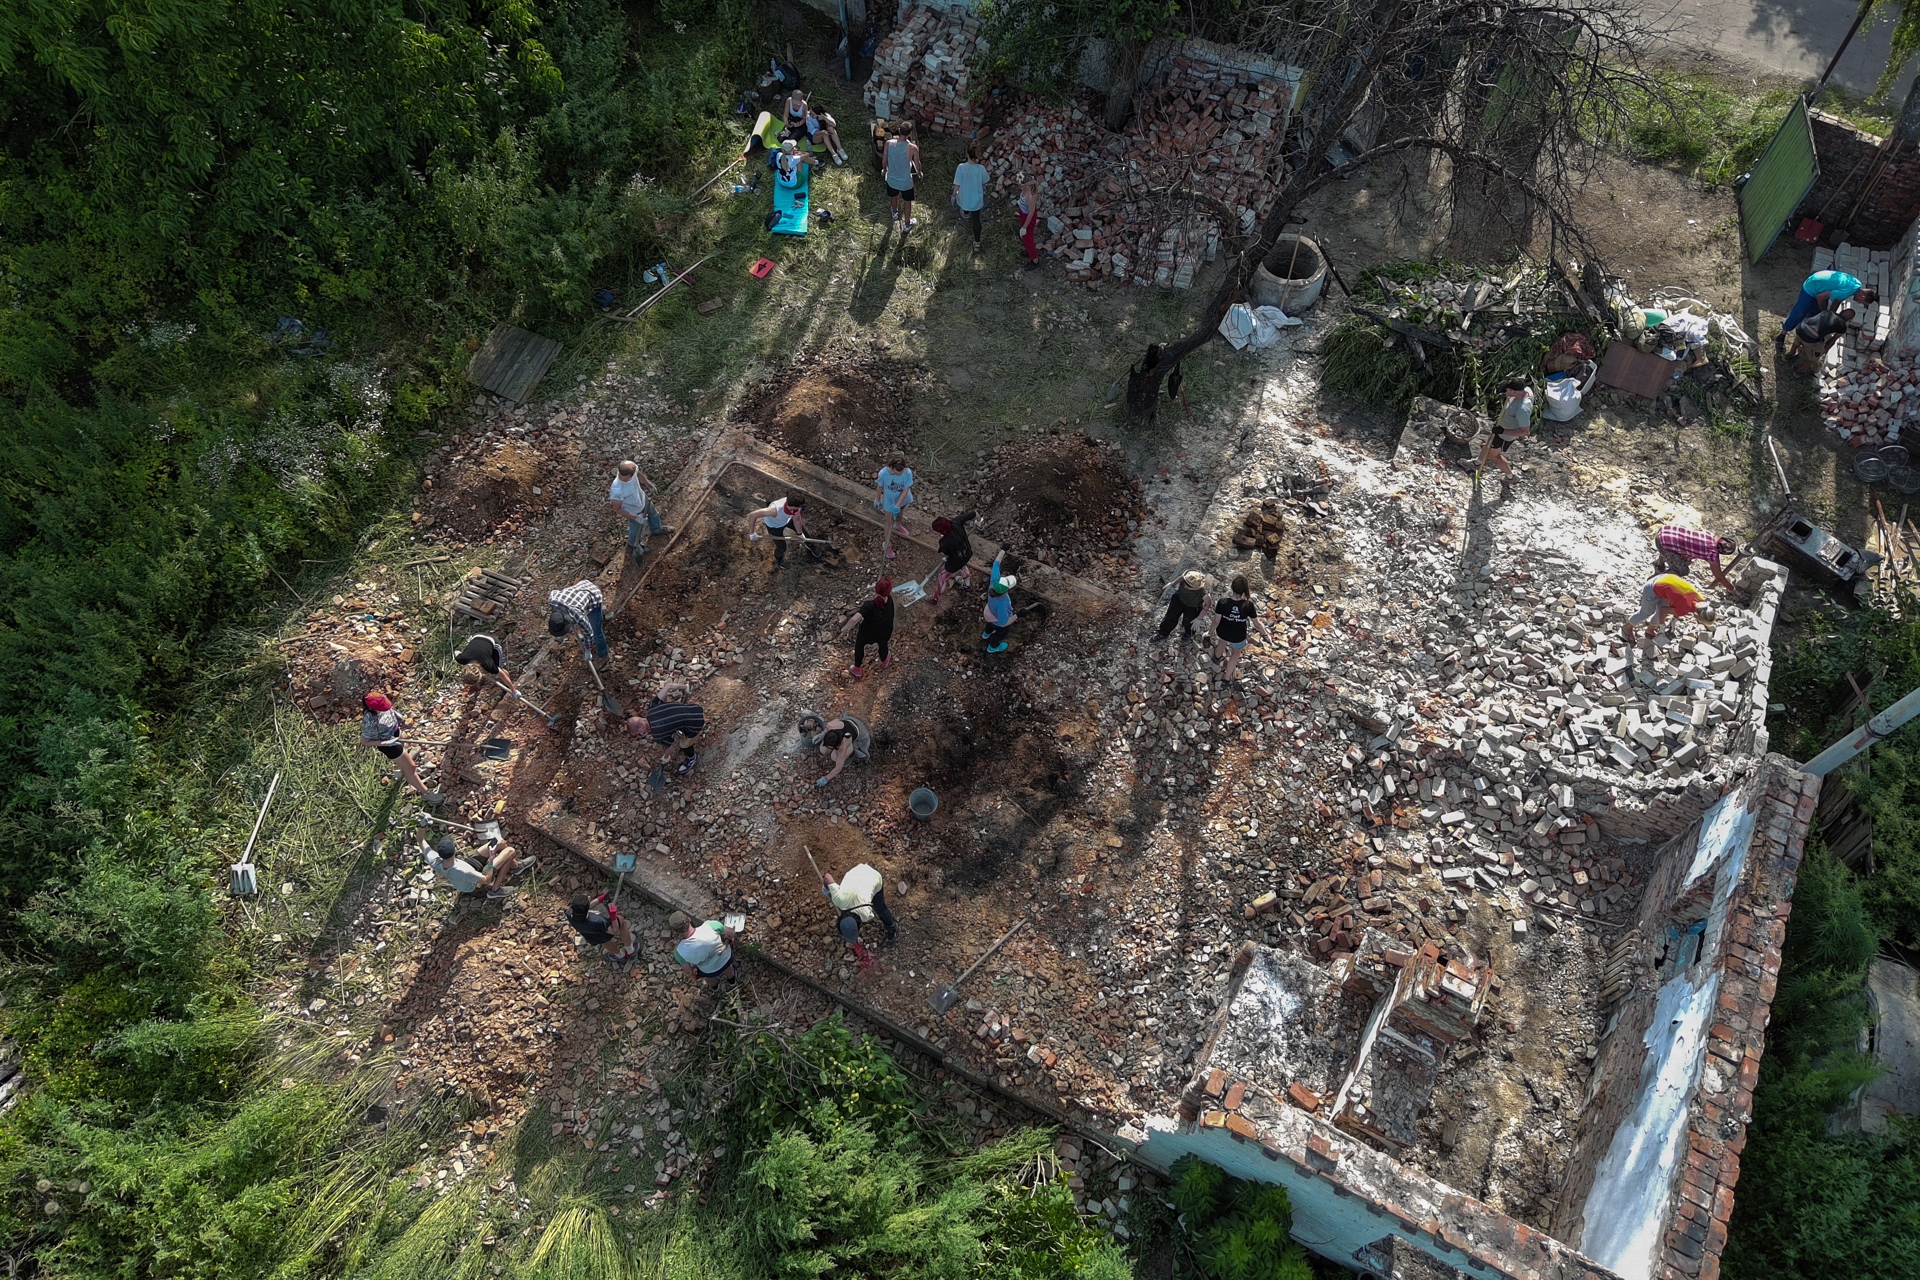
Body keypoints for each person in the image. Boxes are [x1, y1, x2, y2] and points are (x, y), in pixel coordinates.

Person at [360, 692, 441, 806]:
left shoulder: (381, 705)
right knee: (411, 768)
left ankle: (403, 769)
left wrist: (396, 716)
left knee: (407, 763)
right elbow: (364, 741)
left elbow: (389, 710)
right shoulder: (372, 721)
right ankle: (425, 793)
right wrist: (385, 743)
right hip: (390, 746)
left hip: (396, 734)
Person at [820, 861, 898, 968]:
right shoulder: (838, 899)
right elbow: (827, 877)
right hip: (858, 871)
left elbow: (827, 877)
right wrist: (828, 890)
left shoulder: (866, 915)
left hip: (873, 878)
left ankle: (892, 928)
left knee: (881, 909)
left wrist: (827, 890)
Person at [625, 679, 706, 776]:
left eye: (639, 733)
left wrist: (665, 757)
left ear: (641, 729)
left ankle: (692, 758)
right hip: (695, 709)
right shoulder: (653, 706)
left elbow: (671, 748)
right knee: (674, 724)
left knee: (684, 745)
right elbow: (669, 686)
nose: (641, 734)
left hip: (697, 723)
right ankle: (679, 728)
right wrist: (685, 687)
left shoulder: (658, 734)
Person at [424, 834, 528, 900]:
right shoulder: (463, 871)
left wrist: (423, 825)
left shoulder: (434, 861)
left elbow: (421, 841)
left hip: (466, 864)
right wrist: (491, 860)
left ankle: (516, 866)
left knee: (499, 842)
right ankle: (495, 890)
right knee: (510, 851)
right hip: (476, 885)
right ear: (454, 850)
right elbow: (486, 880)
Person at [1211, 575, 1273, 682]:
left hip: (1222, 632)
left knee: (1222, 640)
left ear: (1232, 587)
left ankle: (1217, 656)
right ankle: (1226, 678)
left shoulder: (1222, 602)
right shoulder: (1248, 605)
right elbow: (1257, 624)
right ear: (1245, 590)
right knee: (1235, 654)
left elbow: (1216, 621)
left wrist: (1210, 631)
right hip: (1238, 636)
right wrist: (1265, 635)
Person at [1779, 270, 1876, 338]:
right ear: (1862, 297)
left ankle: (1807, 326)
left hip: (1820, 280)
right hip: (1812, 286)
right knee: (1800, 312)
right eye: (1861, 302)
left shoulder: (1857, 284)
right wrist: (1825, 312)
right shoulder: (1849, 291)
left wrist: (1831, 315)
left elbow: (1837, 300)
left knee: (1816, 312)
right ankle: (1783, 334)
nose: (1858, 302)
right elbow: (1820, 297)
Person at [608, 460, 668, 562]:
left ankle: (656, 529)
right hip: (633, 510)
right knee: (636, 530)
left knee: (653, 514)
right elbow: (617, 509)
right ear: (627, 476)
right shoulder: (617, 490)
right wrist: (635, 517)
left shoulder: (632, 469)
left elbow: (639, 474)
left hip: (643, 499)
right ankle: (634, 545)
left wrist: (648, 483)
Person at [1477, 381, 1532, 488]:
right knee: (1489, 443)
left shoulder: (1522, 410)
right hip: (1500, 429)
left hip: (1504, 436)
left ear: (1514, 392)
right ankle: (1477, 462)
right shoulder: (1526, 391)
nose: (1506, 392)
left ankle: (1511, 477)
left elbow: (1525, 432)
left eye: (1508, 390)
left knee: (1495, 456)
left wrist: (1503, 431)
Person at [837, 578, 895, 677]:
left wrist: (845, 629)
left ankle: (857, 668)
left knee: (859, 646)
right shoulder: (889, 599)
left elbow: (855, 619)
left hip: (868, 633)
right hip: (885, 631)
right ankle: (885, 661)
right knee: (883, 645)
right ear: (888, 591)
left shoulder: (869, 605)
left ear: (876, 589)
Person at [1624, 573, 1704, 644]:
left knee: (1659, 615)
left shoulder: (1701, 602)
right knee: (1646, 612)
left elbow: (1677, 608)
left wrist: (1673, 622)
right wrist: (1662, 627)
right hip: (1653, 586)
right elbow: (1664, 611)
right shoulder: (1686, 608)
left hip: (1667, 581)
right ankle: (1627, 627)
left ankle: (1650, 630)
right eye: (1701, 620)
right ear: (1697, 615)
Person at [1655, 525, 1736, 591]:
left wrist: (1687, 558)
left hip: (1665, 531)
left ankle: (1659, 563)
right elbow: (1720, 577)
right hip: (1664, 544)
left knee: (1682, 559)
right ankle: (1658, 580)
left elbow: (1690, 543)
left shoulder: (1709, 534)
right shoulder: (1712, 554)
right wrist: (1731, 589)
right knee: (1683, 571)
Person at [567, 891, 638, 965]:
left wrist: (600, 899)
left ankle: (620, 956)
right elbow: (615, 931)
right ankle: (631, 951)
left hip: (592, 936)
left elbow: (583, 909)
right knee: (622, 921)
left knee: (604, 941)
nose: (589, 897)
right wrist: (613, 916)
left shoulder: (569, 913)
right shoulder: (597, 921)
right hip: (603, 930)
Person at [548, 579, 608, 663]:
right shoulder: (553, 599)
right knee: (591, 621)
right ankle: (599, 616)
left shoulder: (578, 615)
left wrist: (587, 650)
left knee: (596, 632)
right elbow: (554, 591)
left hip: (594, 596)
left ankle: (603, 655)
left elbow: (589, 634)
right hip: (582, 586)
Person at [745, 494, 809, 572]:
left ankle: (811, 545)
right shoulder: (774, 510)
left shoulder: (795, 505)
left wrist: (800, 534)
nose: (801, 508)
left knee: (806, 534)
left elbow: (797, 520)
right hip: (774, 527)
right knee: (782, 548)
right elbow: (753, 515)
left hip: (786, 520)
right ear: (793, 506)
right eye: (800, 507)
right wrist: (751, 533)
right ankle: (779, 561)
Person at [674, 917, 740, 990]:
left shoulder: (679, 951)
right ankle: (732, 981)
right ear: (689, 919)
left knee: (710, 979)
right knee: (728, 969)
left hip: (708, 971)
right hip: (725, 960)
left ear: (676, 931)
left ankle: (715, 988)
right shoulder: (710, 925)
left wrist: (692, 974)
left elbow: (688, 971)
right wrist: (729, 938)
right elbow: (731, 932)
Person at [812, 713, 873, 788]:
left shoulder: (843, 746)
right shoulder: (830, 726)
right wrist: (822, 735)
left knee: (834, 757)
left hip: (860, 734)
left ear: (837, 746)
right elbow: (833, 724)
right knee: (823, 749)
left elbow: (838, 768)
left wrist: (825, 779)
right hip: (850, 721)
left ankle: (850, 754)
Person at [1789, 306, 1854, 374]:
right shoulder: (1843, 326)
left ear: (1841, 311)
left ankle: (1789, 355)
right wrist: (1824, 350)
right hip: (1811, 337)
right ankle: (1800, 371)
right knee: (1815, 357)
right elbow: (1833, 340)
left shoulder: (1828, 312)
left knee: (1798, 340)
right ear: (1848, 319)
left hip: (1801, 328)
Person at [929, 511, 976, 604]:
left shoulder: (944, 542)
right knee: (963, 567)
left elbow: (946, 553)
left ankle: (935, 598)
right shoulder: (956, 521)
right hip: (967, 553)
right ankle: (968, 586)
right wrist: (978, 521)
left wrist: (946, 558)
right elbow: (973, 514)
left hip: (954, 563)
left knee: (942, 578)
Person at [1153, 570, 1211, 644]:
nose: (1185, 586)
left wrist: (1199, 618)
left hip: (1193, 607)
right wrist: (1172, 584)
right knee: (1170, 617)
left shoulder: (1204, 594)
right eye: (1186, 583)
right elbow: (1181, 578)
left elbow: (1208, 604)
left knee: (1189, 622)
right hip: (1178, 599)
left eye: (1189, 586)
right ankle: (1163, 633)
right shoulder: (1186, 579)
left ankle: (1188, 633)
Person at [875, 453, 915, 560]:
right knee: (888, 522)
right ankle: (887, 545)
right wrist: (878, 499)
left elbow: (906, 489)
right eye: (897, 472)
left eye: (901, 472)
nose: (899, 475)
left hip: (902, 497)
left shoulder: (907, 472)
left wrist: (897, 505)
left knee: (900, 512)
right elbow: (879, 487)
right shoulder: (883, 474)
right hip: (889, 499)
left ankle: (898, 525)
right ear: (891, 467)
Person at [455, 633, 522, 696]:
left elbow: (503, 675)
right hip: (476, 636)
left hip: (492, 641)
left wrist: (514, 691)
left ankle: (507, 687)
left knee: (500, 668)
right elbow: (456, 652)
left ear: (480, 674)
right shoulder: (461, 659)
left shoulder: (488, 664)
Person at [884, 121, 922, 230]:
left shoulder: (888, 143)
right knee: (907, 201)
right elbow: (917, 164)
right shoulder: (913, 148)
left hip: (891, 179)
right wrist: (919, 172)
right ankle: (907, 224)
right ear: (910, 134)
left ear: (899, 131)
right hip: (906, 182)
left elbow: (884, 162)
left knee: (893, 196)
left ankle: (894, 213)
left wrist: (886, 170)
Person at [953, 141, 988, 250]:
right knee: (976, 218)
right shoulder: (981, 169)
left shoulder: (961, 168)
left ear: (967, 154)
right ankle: (977, 242)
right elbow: (985, 181)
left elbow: (957, 186)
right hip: (976, 199)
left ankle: (966, 215)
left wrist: (953, 196)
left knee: (965, 207)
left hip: (964, 198)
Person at [981, 553, 1016, 654]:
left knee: (990, 625)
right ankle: (993, 647)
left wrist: (1002, 551)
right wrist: (1017, 616)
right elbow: (1003, 623)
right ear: (1006, 590)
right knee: (1001, 633)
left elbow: (996, 564)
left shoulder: (993, 582)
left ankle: (986, 634)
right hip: (998, 621)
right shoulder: (1003, 604)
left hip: (990, 613)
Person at [1016, 175, 1041, 269]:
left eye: (1020, 185)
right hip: (1023, 214)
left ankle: (1035, 260)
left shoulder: (1030, 196)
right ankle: (1029, 251)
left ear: (1026, 185)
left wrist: (1024, 227)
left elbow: (1031, 213)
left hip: (1028, 217)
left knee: (1027, 238)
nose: (1019, 187)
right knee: (1025, 237)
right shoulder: (1025, 190)